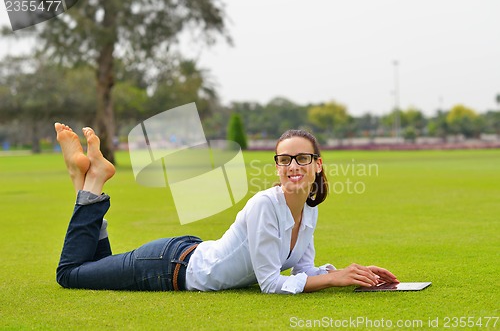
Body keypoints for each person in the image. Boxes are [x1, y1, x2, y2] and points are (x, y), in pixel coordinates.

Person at [55, 122, 398, 294]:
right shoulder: (265, 204)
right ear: (277, 166)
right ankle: (90, 180)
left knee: (94, 266)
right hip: (167, 267)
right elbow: (270, 283)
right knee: (70, 275)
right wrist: (334, 279)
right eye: (285, 159)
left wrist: (351, 273)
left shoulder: (308, 208)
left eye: (303, 158)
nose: (294, 165)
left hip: (185, 254)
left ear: (318, 165)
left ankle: (88, 180)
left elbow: (302, 268)